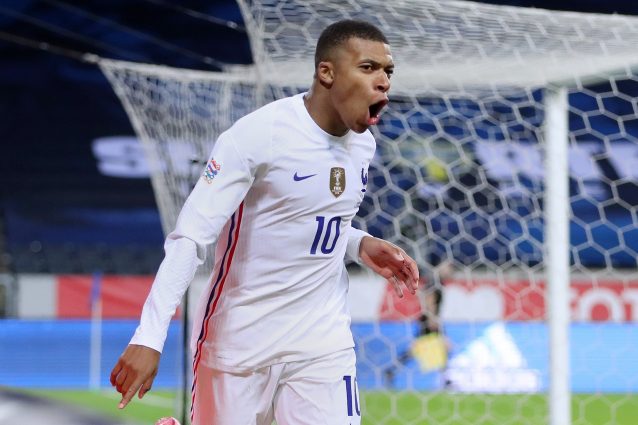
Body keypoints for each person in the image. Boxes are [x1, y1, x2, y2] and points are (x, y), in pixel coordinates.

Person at [110, 19, 419, 425]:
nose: (383, 81)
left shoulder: (363, 145)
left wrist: (358, 244)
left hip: (321, 341)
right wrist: (149, 336)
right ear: (326, 72)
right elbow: (190, 238)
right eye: (368, 67)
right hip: (239, 342)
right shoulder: (259, 135)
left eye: (388, 71)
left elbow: (305, 216)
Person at [384, 260, 453, 388]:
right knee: (443, 347)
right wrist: (432, 318)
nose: (450, 272)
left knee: (421, 349)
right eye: (448, 269)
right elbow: (429, 300)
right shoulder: (435, 282)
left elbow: (424, 295)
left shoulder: (437, 282)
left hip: (431, 319)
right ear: (441, 268)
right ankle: (446, 380)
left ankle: (391, 370)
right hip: (430, 320)